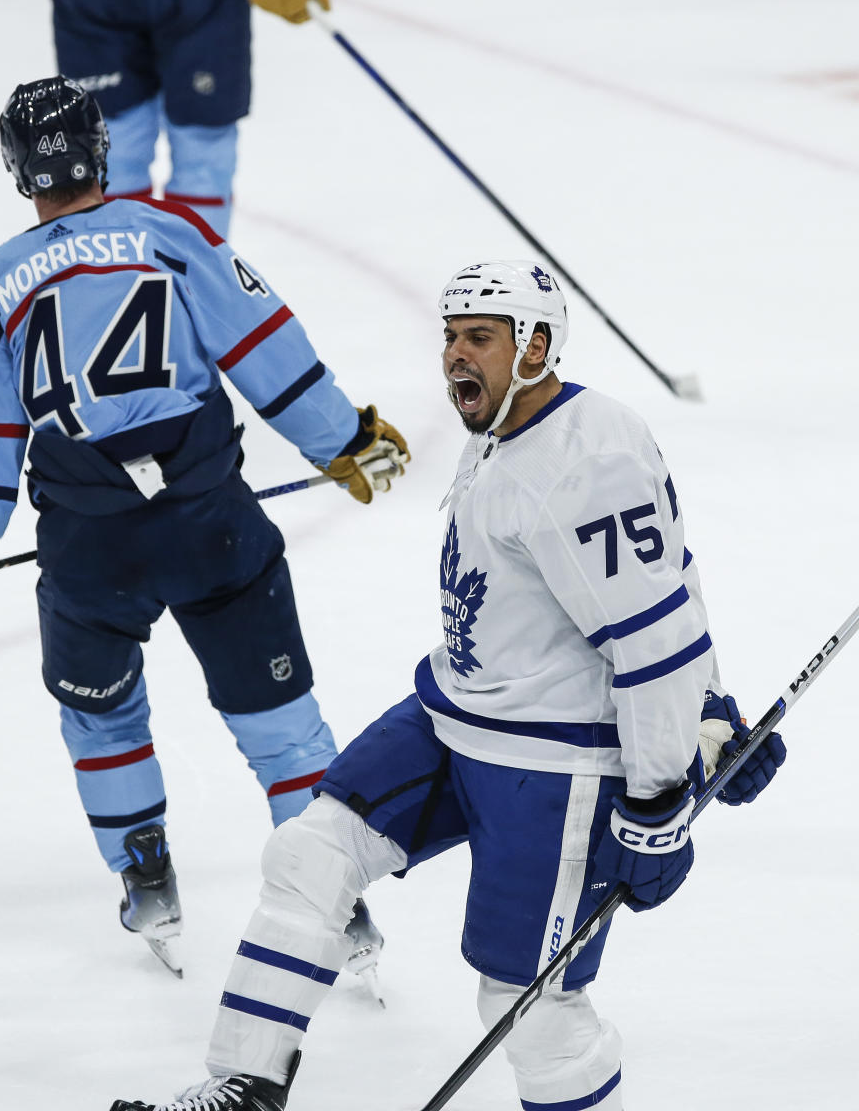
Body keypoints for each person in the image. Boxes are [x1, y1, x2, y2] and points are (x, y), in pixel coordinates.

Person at [106, 260, 787, 1111]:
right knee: (311, 855)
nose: (455, 358)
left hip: (556, 761)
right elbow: (668, 595)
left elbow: (657, 636)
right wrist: (715, 720)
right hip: (455, 716)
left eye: (479, 338)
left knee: (529, 1003)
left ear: (536, 347)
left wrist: (659, 798)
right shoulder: (510, 430)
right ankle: (242, 1088)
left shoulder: (590, 463)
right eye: (450, 337)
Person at [0, 76, 408, 980]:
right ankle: (334, 895)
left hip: (90, 552)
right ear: (101, 149)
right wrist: (346, 440)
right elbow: (263, 344)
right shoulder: (172, 234)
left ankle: (147, 878)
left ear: (20, 173)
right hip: (211, 526)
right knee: (283, 726)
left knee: (103, 721)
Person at [50, 0, 330, 237]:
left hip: (206, 4)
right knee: (109, 149)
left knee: (204, 146)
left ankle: (197, 280)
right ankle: (117, 280)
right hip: (96, 5)